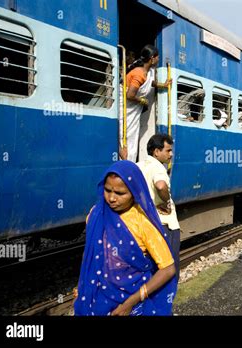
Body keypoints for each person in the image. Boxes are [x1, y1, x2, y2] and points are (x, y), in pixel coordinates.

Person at [74, 160, 177, 316]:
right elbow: (91, 253)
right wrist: (83, 284)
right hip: (99, 298)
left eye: (120, 193)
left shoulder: (143, 223)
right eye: (108, 190)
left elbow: (168, 269)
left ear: (134, 192)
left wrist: (132, 301)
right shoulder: (95, 214)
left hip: (133, 301)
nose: (112, 198)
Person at [136, 134, 181, 279]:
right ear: (156, 152)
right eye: (168, 151)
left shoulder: (138, 166)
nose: (171, 154)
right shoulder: (158, 168)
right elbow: (161, 186)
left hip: (145, 223)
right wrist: (166, 202)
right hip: (164, 225)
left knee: (152, 267)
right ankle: (168, 297)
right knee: (168, 267)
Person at [121, 45, 172, 162]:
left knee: (132, 139)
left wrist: (162, 85)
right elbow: (130, 95)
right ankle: (126, 167)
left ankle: (129, 165)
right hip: (127, 110)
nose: (159, 60)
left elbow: (149, 82)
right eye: (157, 57)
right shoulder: (139, 73)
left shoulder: (146, 72)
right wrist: (142, 100)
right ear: (152, 59)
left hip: (133, 111)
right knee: (128, 139)